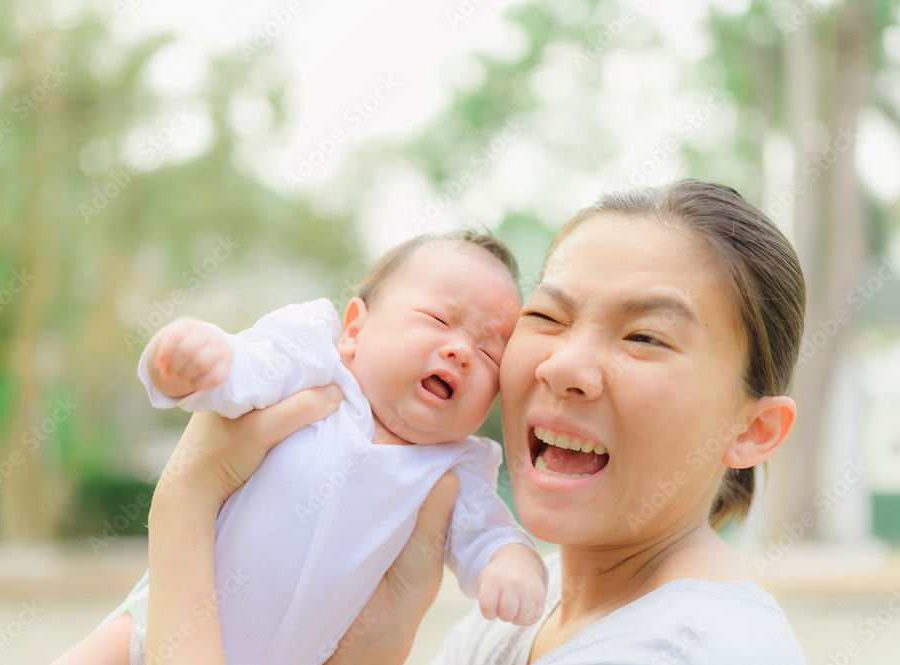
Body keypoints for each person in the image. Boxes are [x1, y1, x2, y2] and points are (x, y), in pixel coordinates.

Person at [57, 178, 808, 665]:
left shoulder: (694, 648)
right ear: (355, 326)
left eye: (645, 336)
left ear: (755, 429)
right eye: (548, 318)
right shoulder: (516, 617)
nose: (565, 366)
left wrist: (186, 504)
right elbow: (241, 364)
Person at [84, 232, 548, 665]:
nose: (461, 352)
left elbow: (491, 533)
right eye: (439, 320)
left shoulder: (456, 467)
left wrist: (513, 563)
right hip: (151, 628)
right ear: (354, 329)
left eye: (489, 353)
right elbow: (243, 370)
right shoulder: (311, 362)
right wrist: (196, 359)